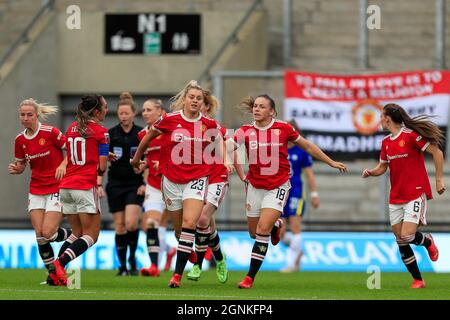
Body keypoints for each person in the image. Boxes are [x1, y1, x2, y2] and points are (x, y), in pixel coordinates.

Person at [228, 94, 347, 289]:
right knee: (252, 232)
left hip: (278, 186)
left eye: (262, 106)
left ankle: (249, 277)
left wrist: (331, 161)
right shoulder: (245, 131)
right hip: (254, 186)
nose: (257, 109)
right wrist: (225, 157)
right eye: (255, 106)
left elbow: (307, 145)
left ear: (272, 111)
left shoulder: (283, 128)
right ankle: (276, 226)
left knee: (261, 231)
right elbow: (227, 145)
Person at [131, 80, 231, 288]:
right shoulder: (169, 120)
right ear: (184, 99)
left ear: (203, 102)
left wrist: (226, 159)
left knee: (190, 225)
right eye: (191, 97)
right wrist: (136, 158)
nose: (195, 101)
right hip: (171, 181)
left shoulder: (209, 123)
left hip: (197, 180)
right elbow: (148, 137)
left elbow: (223, 137)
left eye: (199, 98)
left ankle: (176, 276)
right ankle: (192, 255)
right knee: (179, 232)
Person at [362, 103, 444, 289]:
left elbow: (437, 153)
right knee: (400, 239)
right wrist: (371, 172)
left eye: (381, 116)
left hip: (415, 192)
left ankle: (428, 241)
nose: (380, 120)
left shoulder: (411, 136)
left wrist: (438, 180)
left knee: (407, 236)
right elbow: (383, 166)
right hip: (396, 196)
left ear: (387, 118)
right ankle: (418, 280)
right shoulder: (386, 142)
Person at [9, 98, 74, 285]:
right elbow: (22, 164)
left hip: (56, 186)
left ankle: (73, 234)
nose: (26, 118)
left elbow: (71, 149)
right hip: (36, 189)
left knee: (48, 232)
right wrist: (18, 168)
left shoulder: (51, 132)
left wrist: (63, 163)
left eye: (29, 114)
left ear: (37, 115)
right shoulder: (20, 140)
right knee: (40, 235)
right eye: (23, 115)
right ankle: (55, 274)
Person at [50, 94, 109, 285]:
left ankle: (53, 277)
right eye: (105, 107)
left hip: (66, 186)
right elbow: (101, 167)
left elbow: (77, 154)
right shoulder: (101, 131)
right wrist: (104, 158)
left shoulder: (71, 128)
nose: (107, 111)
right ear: (97, 111)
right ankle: (59, 264)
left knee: (76, 232)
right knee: (91, 235)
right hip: (84, 186)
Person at [187, 90, 229, 283]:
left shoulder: (215, 127)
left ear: (207, 107)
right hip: (197, 178)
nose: (196, 105)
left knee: (202, 219)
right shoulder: (187, 127)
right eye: (193, 101)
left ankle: (197, 266)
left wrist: (229, 161)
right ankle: (220, 258)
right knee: (207, 225)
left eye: (201, 102)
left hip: (217, 177)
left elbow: (230, 144)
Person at [103, 92, 145, 276]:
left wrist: (145, 179)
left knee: (131, 224)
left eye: (127, 113)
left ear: (133, 114)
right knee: (119, 226)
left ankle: (132, 259)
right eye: (121, 113)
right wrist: (98, 183)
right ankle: (122, 267)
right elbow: (102, 158)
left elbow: (149, 158)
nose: (124, 116)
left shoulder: (141, 134)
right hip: (115, 184)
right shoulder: (110, 134)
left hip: (135, 184)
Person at [138, 99, 176, 277]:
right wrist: (142, 169)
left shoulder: (172, 130)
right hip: (153, 186)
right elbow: (143, 161)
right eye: (143, 110)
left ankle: (178, 250)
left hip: (172, 185)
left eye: (149, 109)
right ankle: (154, 266)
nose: (145, 113)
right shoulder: (142, 135)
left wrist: (162, 164)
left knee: (172, 227)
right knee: (152, 224)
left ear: (160, 111)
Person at [279, 120, 320, 272]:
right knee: (279, 232)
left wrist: (314, 194)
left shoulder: (301, 151)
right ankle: (298, 250)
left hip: (296, 192)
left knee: (295, 227)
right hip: (280, 192)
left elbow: (309, 175)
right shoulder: (278, 149)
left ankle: (291, 265)